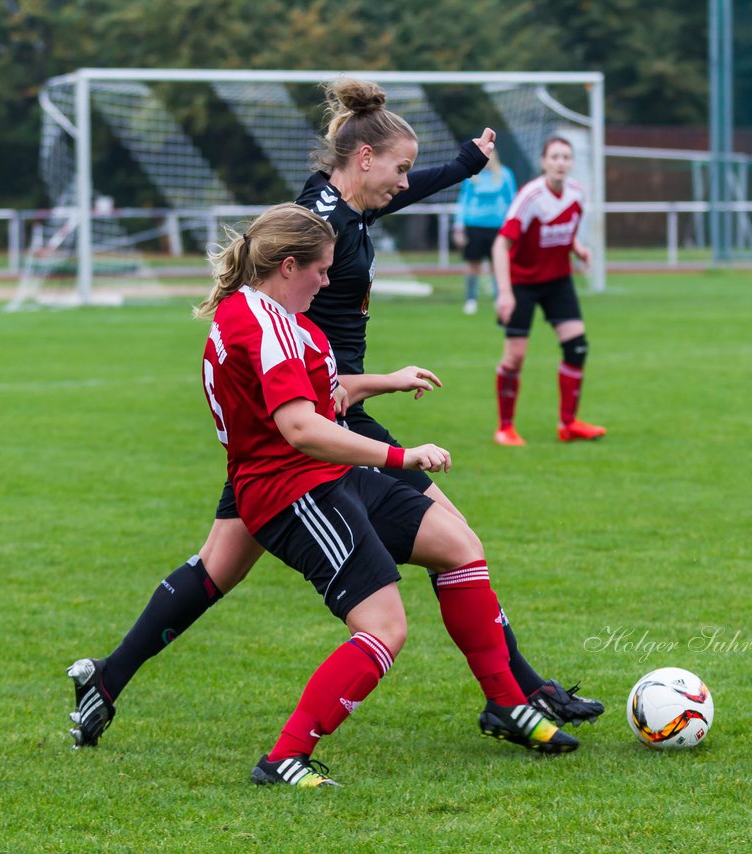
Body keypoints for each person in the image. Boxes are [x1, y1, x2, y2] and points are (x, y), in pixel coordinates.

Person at [67, 79, 603, 751]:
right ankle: (517, 696)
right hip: (319, 419)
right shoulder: (320, 229)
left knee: (216, 571)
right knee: (453, 545)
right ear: (365, 159)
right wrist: (375, 408)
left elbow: (389, 197)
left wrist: (463, 165)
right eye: (399, 168)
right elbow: (288, 347)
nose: (403, 183)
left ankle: (106, 679)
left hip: (310, 416)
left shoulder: (334, 207)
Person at [211, 204, 578, 786]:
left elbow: (327, 396)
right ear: (287, 266)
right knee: (384, 628)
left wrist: (389, 379)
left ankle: (506, 703)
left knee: (458, 545)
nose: (328, 282)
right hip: (291, 491)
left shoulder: (275, 318)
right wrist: (401, 457)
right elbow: (302, 427)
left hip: (324, 475)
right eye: (322, 271)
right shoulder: (266, 326)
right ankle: (283, 759)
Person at [491, 134, 606, 446]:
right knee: (514, 359)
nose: (560, 163)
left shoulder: (577, 195)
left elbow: (563, 232)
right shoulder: (530, 197)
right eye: (554, 157)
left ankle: (568, 424)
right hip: (522, 283)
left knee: (577, 348)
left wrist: (578, 249)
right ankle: (505, 428)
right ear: (544, 162)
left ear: (571, 164)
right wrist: (505, 292)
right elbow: (502, 245)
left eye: (566, 158)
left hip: (557, 280)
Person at [452, 149, 516, 315]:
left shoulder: (505, 175)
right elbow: (464, 201)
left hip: (497, 227)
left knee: (498, 265)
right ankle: (471, 299)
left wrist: (513, 226)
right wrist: (459, 227)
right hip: (474, 226)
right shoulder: (473, 176)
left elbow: (513, 201)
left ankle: (499, 298)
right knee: (474, 265)